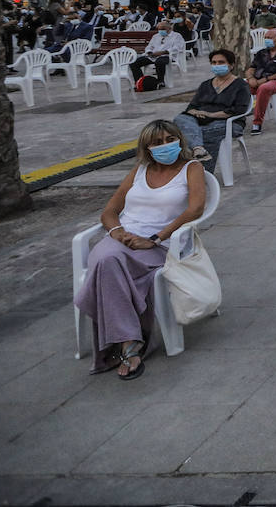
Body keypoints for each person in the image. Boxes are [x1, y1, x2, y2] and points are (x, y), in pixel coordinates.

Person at [73, 120, 208, 378]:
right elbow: (110, 211)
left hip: (161, 244)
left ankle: (124, 344)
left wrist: (155, 238)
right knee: (108, 258)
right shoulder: (140, 170)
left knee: (106, 263)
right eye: (158, 142)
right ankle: (130, 342)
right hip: (123, 240)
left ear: (179, 140)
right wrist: (118, 233)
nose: (166, 145)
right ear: (147, 148)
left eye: (170, 139)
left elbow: (196, 208)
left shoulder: (191, 168)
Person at [172, 49, 253, 165]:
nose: (217, 65)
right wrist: (196, 112)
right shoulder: (205, 85)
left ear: (231, 65)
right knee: (179, 119)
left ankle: (203, 171)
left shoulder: (241, 85)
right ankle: (198, 149)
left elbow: (239, 110)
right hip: (201, 120)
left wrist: (210, 114)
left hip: (228, 122)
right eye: (214, 63)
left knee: (196, 133)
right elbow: (191, 107)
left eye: (221, 62)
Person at [245, 29, 276, 134]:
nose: (267, 40)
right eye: (266, 38)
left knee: (264, 88)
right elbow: (251, 68)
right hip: (257, 80)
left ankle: (257, 123)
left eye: (269, 38)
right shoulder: (261, 53)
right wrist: (251, 78)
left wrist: (266, 79)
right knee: (238, 86)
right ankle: (235, 119)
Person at [129, 20, 186, 88]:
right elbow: (149, 46)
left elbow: (177, 47)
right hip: (153, 56)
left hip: (167, 55)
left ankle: (160, 81)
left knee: (159, 62)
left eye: (163, 29)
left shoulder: (176, 36)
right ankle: (140, 82)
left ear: (169, 28)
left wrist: (163, 52)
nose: (160, 31)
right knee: (134, 63)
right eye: (159, 29)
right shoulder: (156, 36)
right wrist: (149, 52)